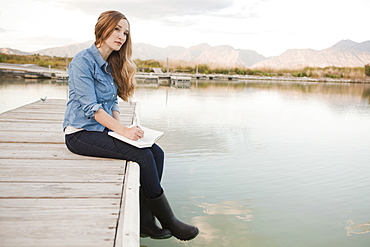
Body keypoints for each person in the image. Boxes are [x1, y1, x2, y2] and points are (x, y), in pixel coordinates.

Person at [63, 10, 199, 241]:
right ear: (102, 28)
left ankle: (146, 222)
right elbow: (91, 108)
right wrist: (122, 131)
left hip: (102, 129)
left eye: (125, 32)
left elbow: (112, 102)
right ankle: (169, 221)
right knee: (143, 157)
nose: (121, 36)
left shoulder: (111, 63)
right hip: (79, 133)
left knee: (156, 153)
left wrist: (123, 131)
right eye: (116, 29)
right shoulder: (82, 62)